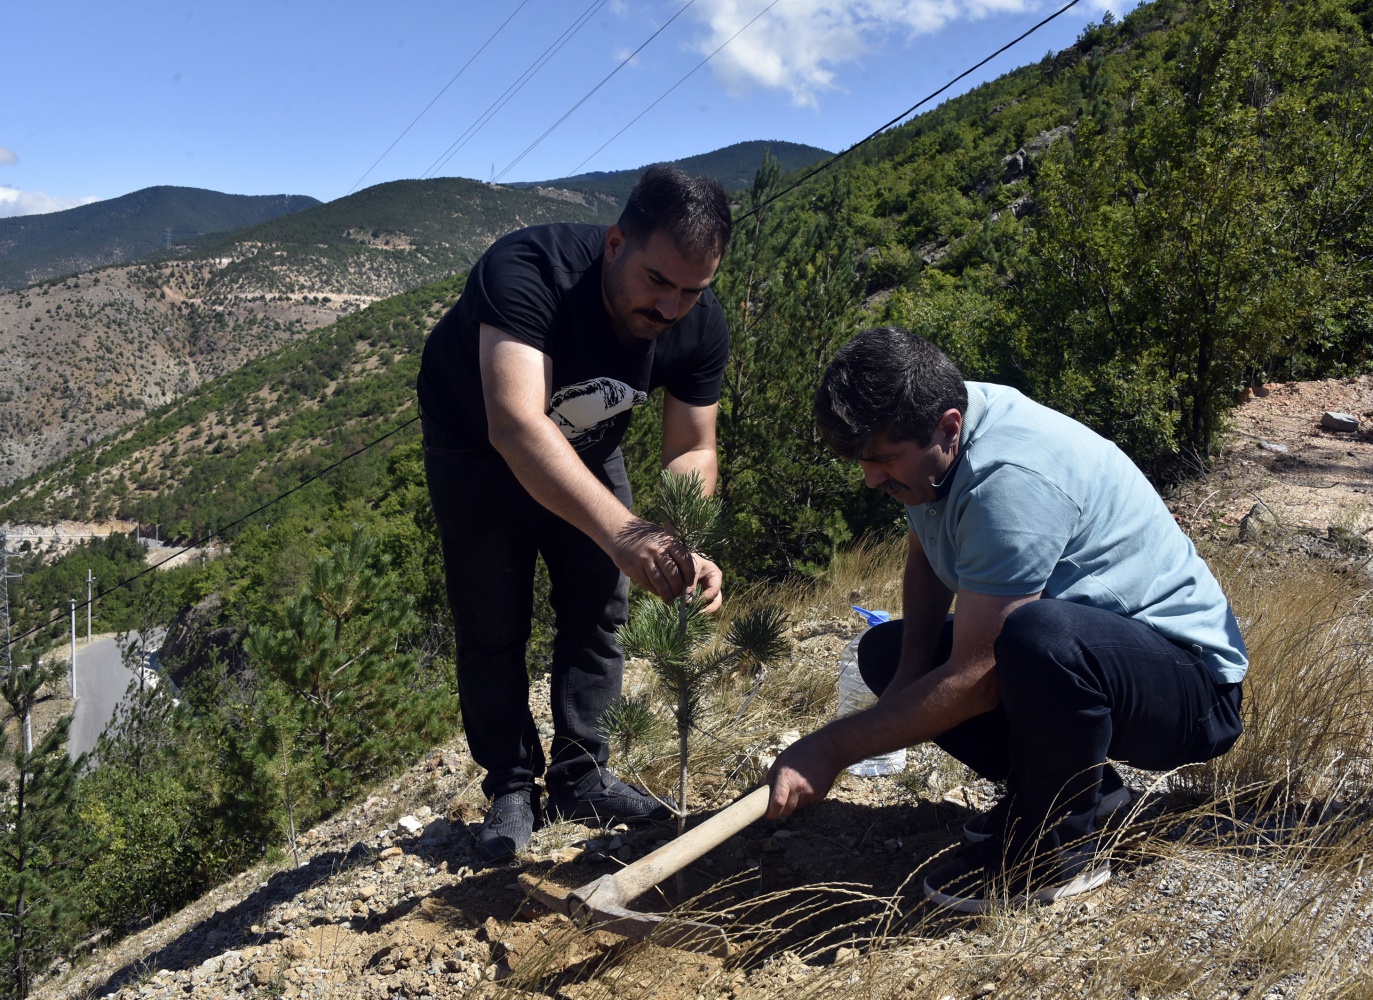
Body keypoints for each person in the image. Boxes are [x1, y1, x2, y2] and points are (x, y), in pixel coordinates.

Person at [767, 326, 1248, 910]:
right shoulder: (940, 443)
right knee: (885, 652)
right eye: (863, 462)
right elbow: (927, 547)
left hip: (1189, 687)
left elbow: (977, 679)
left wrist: (830, 747)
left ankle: (1054, 851)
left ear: (947, 426)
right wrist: (909, 670)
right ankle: (1085, 795)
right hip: (1094, 657)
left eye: (883, 461)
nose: (871, 479)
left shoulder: (1009, 480)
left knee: (1034, 638)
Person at [416, 166, 732, 862]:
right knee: (493, 618)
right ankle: (511, 784)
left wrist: (680, 540)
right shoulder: (530, 270)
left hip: (588, 447)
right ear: (616, 242)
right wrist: (624, 533)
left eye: (692, 290)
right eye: (658, 282)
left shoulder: (698, 320)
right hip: (478, 446)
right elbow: (517, 426)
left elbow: (692, 447)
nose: (673, 307)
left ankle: (581, 772)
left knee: (598, 604)